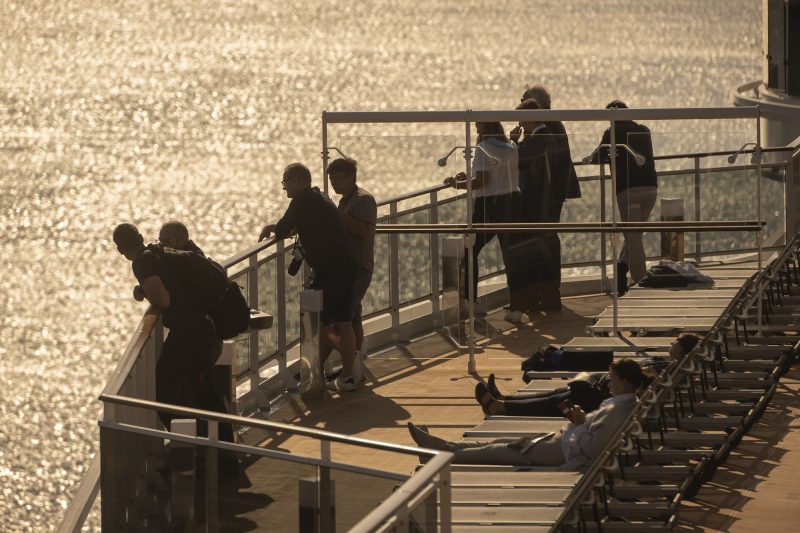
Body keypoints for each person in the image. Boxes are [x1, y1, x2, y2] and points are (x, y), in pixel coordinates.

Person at [113, 223, 234, 443]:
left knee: (167, 391)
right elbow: (171, 285)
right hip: (201, 327)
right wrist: (145, 289)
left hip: (189, 334)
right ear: (140, 237)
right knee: (202, 393)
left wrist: (146, 293)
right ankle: (214, 448)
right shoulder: (157, 253)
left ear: (120, 250)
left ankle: (195, 446)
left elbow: (163, 299)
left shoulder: (142, 263)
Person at [407, 359, 645, 468]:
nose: (610, 384)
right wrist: (579, 421)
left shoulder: (618, 412)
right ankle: (440, 446)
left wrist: (582, 423)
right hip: (561, 441)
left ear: (624, 382)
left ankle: (435, 456)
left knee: (493, 452)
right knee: (499, 442)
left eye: (613, 380)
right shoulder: (619, 405)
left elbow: (592, 449)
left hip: (561, 451)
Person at [259, 163, 359, 392]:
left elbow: (284, 229)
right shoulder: (318, 196)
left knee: (318, 323)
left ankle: (347, 359)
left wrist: (272, 227)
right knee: (343, 321)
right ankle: (349, 375)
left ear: (297, 180)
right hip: (346, 264)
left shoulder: (303, 200)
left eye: (285, 182)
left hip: (331, 269)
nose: (284, 188)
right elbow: (299, 225)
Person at [475, 333, 701, 417]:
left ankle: (499, 407)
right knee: (559, 393)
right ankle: (504, 401)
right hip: (607, 388)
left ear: (683, 350)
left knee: (557, 400)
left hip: (607, 399)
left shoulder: (672, 372)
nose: (673, 343)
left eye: (677, 342)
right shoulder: (671, 364)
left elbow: (646, 391)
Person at [443, 122, 519, 315]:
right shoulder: (511, 146)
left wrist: (457, 184)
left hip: (489, 206)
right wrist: (470, 175)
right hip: (510, 202)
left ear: (485, 128)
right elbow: (496, 174)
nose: (476, 130)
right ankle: (518, 303)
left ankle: (470, 303)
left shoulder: (483, 148)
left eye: (478, 126)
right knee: (510, 254)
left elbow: (483, 181)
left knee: (470, 251)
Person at [584, 100, 658, 294]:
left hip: (629, 190)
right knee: (634, 235)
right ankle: (621, 266)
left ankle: (640, 280)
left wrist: (608, 155)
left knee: (632, 236)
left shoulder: (612, 133)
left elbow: (597, 157)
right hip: (651, 188)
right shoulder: (644, 130)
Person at [506, 98, 558, 318]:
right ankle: (541, 297)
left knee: (537, 250)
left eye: (523, 118)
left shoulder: (541, 138)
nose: (520, 122)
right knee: (541, 248)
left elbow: (522, 160)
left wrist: (513, 143)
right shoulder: (540, 137)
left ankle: (542, 297)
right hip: (541, 203)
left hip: (537, 204)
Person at [327, 157, 377, 383]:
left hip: (358, 266)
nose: (334, 183)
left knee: (342, 319)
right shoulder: (346, 200)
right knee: (354, 318)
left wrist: (338, 218)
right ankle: (356, 367)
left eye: (338, 178)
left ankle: (351, 368)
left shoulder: (363, 199)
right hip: (348, 268)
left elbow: (365, 230)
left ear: (351, 177)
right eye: (331, 178)